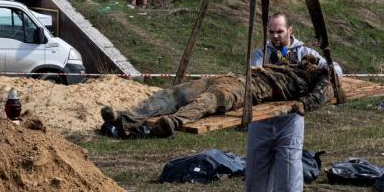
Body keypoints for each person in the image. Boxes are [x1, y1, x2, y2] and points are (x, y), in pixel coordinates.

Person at [240, 12, 342, 192]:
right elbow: (253, 76)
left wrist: (322, 74)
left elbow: (335, 68)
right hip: (262, 123)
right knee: (256, 176)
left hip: (289, 123)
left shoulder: (303, 53)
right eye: (272, 32)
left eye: (280, 32)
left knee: (288, 178)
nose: (276, 36)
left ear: (290, 30)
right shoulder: (261, 54)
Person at [100, 57, 333, 139]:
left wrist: (302, 105)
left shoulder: (322, 81)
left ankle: (173, 123)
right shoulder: (297, 63)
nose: (313, 64)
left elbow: (319, 96)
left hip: (248, 90)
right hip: (230, 77)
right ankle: (125, 119)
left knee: (208, 102)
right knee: (173, 94)